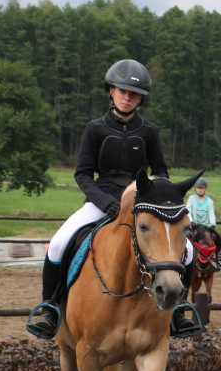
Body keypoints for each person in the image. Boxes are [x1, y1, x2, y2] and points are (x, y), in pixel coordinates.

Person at [27, 59, 198, 338]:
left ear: (140, 97)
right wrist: (106, 203)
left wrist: (155, 194)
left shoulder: (149, 131)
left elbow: (162, 171)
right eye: (121, 91)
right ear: (111, 91)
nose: (127, 97)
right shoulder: (94, 128)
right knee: (58, 244)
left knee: (188, 249)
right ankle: (49, 309)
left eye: (133, 94)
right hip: (100, 200)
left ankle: (179, 310)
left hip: (141, 203)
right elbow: (82, 175)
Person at [187, 177, 221, 262]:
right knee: (186, 239)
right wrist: (191, 222)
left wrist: (212, 225)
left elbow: (211, 214)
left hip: (206, 227)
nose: (200, 190)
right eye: (198, 188)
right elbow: (188, 211)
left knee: (218, 240)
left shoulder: (210, 201)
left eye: (202, 188)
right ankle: (185, 260)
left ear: (205, 189)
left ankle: (216, 259)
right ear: (195, 188)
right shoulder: (191, 199)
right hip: (194, 227)